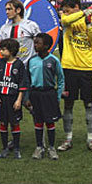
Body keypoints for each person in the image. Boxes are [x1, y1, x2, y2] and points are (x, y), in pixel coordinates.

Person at [57, 0, 92, 153]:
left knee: (89, 104)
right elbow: (65, 21)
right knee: (68, 105)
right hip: (68, 67)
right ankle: (68, 139)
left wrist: (88, 23)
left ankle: (91, 139)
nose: (65, 13)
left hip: (87, 68)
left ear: (75, 7)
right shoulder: (67, 18)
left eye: (68, 10)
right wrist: (83, 13)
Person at [25, 33, 64, 161]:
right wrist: (27, 97)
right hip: (35, 94)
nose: (35, 45)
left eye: (38, 43)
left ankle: (51, 147)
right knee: (38, 121)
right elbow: (27, 81)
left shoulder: (54, 60)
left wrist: (57, 97)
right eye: (34, 42)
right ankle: (39, 147)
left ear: (46, 46)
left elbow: (61, 80)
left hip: (49, 94)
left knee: (50, 121)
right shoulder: (31, 61)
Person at [0, 38, 28, 159]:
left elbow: (22, 84)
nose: (1, 52)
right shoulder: (0, 63)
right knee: (3, 122)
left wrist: (19, 100)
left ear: (11, 51)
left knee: (14, 122)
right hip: (2, 98)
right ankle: (4, 148)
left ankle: (16, 148)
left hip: (13, 98)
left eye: (3, 49)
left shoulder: (19, 65)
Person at [0, 0, 41, 65]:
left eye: (9, 9)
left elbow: (40, 43)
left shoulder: (31, 25)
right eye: (6, 10)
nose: (7, 12)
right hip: (12, 68)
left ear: (18, 10)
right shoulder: (4, 28)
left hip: (29, 68)